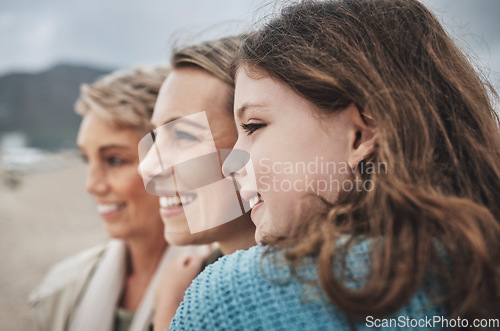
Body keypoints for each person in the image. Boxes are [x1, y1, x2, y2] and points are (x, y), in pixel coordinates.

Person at [169, 0, 500, 329]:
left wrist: (168, 310)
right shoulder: (480, 263)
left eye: (254, 126)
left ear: (360, 134)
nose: (230, 166)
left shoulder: (234, 296)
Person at [29, 66, 193, 331]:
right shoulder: (61, 289)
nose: (91, 185)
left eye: (114, 160)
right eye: (86, 159)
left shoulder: (220, 286)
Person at [137, 37, 256, 330]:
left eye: (185, 136)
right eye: (155, 136)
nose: (148, 167)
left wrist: (169, 320)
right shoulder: (192, 280)